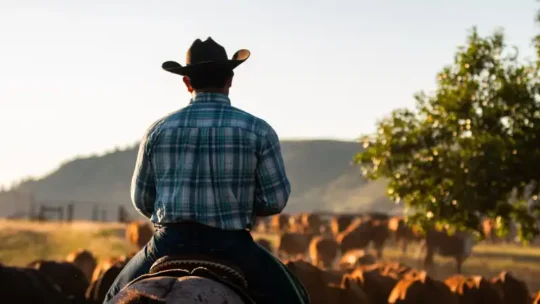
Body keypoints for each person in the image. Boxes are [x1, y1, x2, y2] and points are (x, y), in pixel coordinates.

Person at [104, 37, 309, 304]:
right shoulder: (258, 130)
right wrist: (242, 205)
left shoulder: (158, 131)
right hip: (233, 245)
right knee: (295, 299)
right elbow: (275, 200)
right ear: (230, 79)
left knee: (111, 297)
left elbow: (142, 199)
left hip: (168, 242)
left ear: (187, 82)